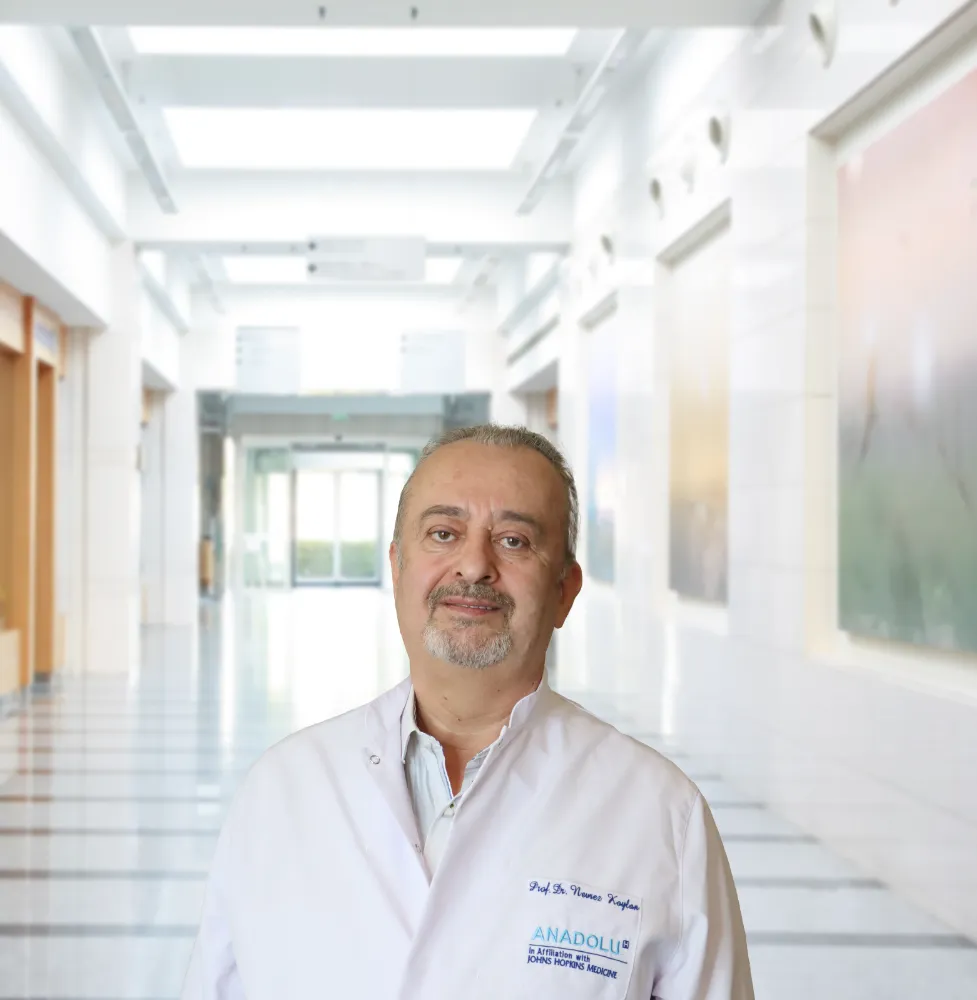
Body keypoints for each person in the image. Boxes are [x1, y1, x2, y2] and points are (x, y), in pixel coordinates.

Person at [182, 424, 754, 1000]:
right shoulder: (279, 791)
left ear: (565, 591)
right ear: (397, 568)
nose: (475, 565)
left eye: (514, 541)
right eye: (443, 533)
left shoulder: (662, 815)